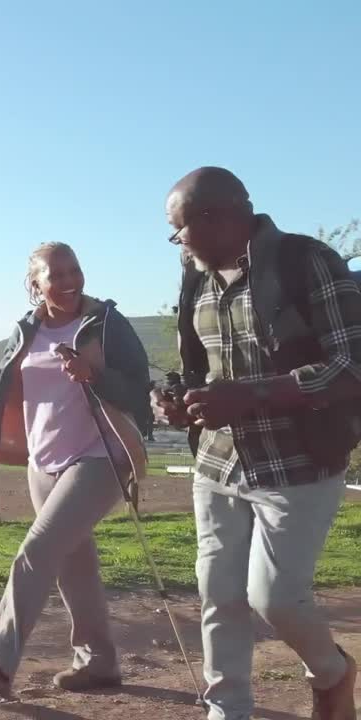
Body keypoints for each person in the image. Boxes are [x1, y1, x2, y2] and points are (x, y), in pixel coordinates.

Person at [154, 166, 359, 720]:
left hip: (299, 465)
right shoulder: (195, 276)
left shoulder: (306, 261)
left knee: (275, 600)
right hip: (217, 464)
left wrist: (250, 396)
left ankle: (334, 673)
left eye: (178, 230)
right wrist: (178, 401)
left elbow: (351, 367)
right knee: (219, 596)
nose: (177, 243)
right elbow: (201, 368)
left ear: (214, 218)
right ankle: (228, 710)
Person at [0, 241, 153, 697]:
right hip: (42, 463)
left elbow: (139, 390)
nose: (68, 281)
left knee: (37, 552)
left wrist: (92, 374)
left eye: (73, 270)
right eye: (55, 274)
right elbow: (3, 392)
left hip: (101, 456)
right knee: (72, 566)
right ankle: (98, 664)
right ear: (35, 284)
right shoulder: (26, 331)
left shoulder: (105, 323)